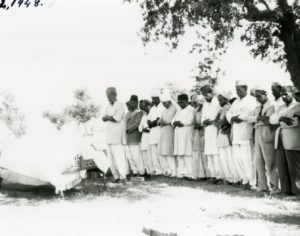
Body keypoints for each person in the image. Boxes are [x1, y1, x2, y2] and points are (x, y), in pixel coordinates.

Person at [247, 87, 278, 193]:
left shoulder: (272, 106)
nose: (258, 99)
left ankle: (275, 186)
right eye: (256, 97)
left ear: (266, 94)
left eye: (260, 96)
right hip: (258, 133)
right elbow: (249, 119)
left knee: (270, 162)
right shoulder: (257, 107)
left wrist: (258, 119)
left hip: (267, 133)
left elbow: (268, 120)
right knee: (258, 161)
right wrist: (258, 118)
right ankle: (262, 185)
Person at [226, 80, 257, 188]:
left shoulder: (252, 100)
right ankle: (244, 180)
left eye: (239, 89)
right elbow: (228, 113)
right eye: (236, 89)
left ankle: (251, 182)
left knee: (247, 159)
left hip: (245, 132)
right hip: (236, 133)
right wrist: (233, 117)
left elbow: (246, 115)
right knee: (238, 158)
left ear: (245, 88)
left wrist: (236, 117)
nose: (237, 91)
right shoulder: (235, 101)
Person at [270, 86, 300, 195]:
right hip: (280, 138)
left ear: (292, 93)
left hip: (293, 140)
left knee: (294, 168)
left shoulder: (297, 106)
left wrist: (279, 121)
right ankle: (285, 190)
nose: (283, 96)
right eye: (282, 94)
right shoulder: (280, 107)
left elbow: (294, 122)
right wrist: (281, 119)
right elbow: (272, 119)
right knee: (282, 166)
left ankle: (296, 192)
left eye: (286, 94)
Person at [102, 87, 127, 183]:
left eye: (109, 95)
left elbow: (117, 118)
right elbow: (103, 118)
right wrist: (108, 117)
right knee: (111, 159)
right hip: (109, 136)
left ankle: (123, 177)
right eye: (107, 96)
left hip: (117, 136)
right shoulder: (108, 105)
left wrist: (108, 117)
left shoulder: (120, 104)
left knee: (119, 158)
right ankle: (116, 177)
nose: (108, 98)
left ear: (114, 95)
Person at [215, 90, 238, 184]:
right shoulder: (221, 109)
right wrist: (219, 123)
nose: (219, 102)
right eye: (219, 100)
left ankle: (234, 178)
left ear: (226, 99)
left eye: (221, 100)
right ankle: (228, 178)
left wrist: (220, 123)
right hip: (221, 134)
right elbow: (216, 122)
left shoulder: (229, 108)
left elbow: (225, 121)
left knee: (230, 158)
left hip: (227, 134)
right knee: (224, 158)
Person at [201, 85, 223, 182]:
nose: (205, 97)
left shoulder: (217, 102)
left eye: (206, 94)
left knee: (216, 154)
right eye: (204, 95)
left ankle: (220, 176)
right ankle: (213, 175)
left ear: (211, 93)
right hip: (208, 130)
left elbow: (217, 117)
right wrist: (204, 122)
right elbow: (203, 117)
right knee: (209, 154)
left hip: (215, 130)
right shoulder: (205, 104)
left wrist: (211, 121)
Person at [173, 94, 195, 179]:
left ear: (186, 101)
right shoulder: (178, 110)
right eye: (179, 102)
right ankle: (181, 173)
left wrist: (179, 122)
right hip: (178, 133)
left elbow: (190, 120)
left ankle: (190, 173)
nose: (180, 104)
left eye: (182, 102)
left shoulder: (191, 109)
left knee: (187, 153)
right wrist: (175, 123)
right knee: (179, 154)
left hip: (186, 133)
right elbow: (173, 120)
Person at [124, 95, 145, 177]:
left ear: (136, 103)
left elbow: (137, 123)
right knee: (130, 156)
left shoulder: (139, 112)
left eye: (132, 103)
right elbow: (123, 123)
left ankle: (141, 172)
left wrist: (127, 129)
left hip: (134, 136)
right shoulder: (128, 113)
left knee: (137, 156)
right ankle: (135, 172)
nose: (130, 105)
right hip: (127, 138)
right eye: (129, 103)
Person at [158, 93, 177, 177]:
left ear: (169, 101)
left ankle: (174, 171)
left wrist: (163, 122)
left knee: (169, 151)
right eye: (162, 103)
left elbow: (168, 121)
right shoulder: (164, 110)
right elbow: (159, 121)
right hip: (163, 131)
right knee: (164, 151)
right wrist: (162, 122)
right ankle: (168, 170)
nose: (163, 104)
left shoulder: (174, 108)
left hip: (169, 130)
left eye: (164, 102)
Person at [148, 89, 166, 176]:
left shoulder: (163, 107)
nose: (153, 100)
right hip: (152, 132)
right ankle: (158, 171)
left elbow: (159, 120)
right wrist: (151, 123)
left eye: (155, 98)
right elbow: (149, 120)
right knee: (154, 154)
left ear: (159, 98)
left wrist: (152, 123)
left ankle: (164, 170)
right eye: (152, 98)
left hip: (159, 131)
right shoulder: (152, 109)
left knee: (160, 153)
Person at [191, 95, 207, 179]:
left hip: (205, 132)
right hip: (197, 132)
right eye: (196, 101)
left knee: (204, 153)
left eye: (201, 101)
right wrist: (195, 125)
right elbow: (193, 121)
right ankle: (199, 174)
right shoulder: (196, 110)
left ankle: (208, 174)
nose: (198, 103)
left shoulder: (206, 109)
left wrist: (201, 125)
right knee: (197, 152)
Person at [138, 99, 154, 175]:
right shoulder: (144, 116)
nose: (143, 108)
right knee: (145, 154)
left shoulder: (152, 113)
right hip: (144, 136)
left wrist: (148, 129)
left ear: (149, 105)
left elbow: (153, 125)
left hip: (151, 136)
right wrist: (143, 129)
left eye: (144, 106)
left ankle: (153, 171)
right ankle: (148, 171)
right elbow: (139, 127)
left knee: (150, 154)